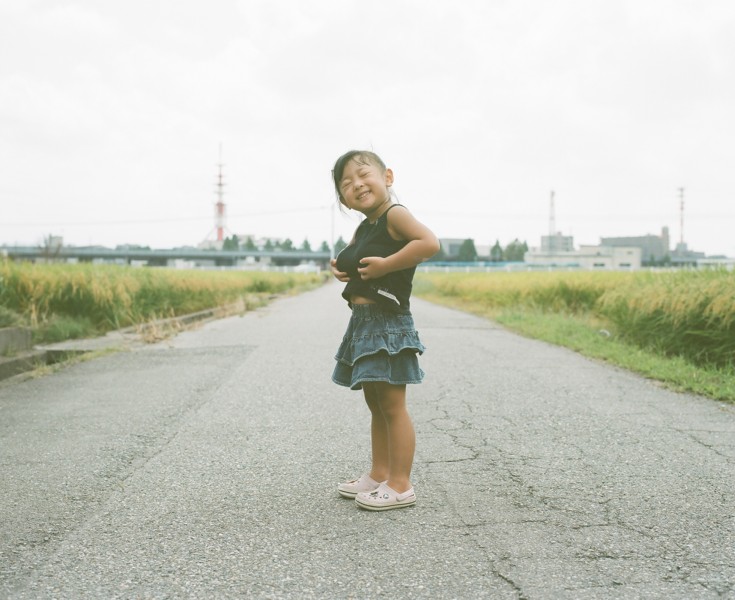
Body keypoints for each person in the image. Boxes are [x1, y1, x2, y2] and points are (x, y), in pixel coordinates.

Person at [329, 150, 440, 511]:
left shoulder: (395, 214)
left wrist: (387, 266)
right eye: (346, 184)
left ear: (387, 177)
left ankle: (400, 484)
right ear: (343, 198)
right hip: (364, 324)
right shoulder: (366, 226)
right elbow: (354, 257)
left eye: (363, 175)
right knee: (375, 403)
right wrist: (341, 267)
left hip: (389, 324)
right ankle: (379, 473)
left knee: (393, 406)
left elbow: (429, 243)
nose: (357, 185)